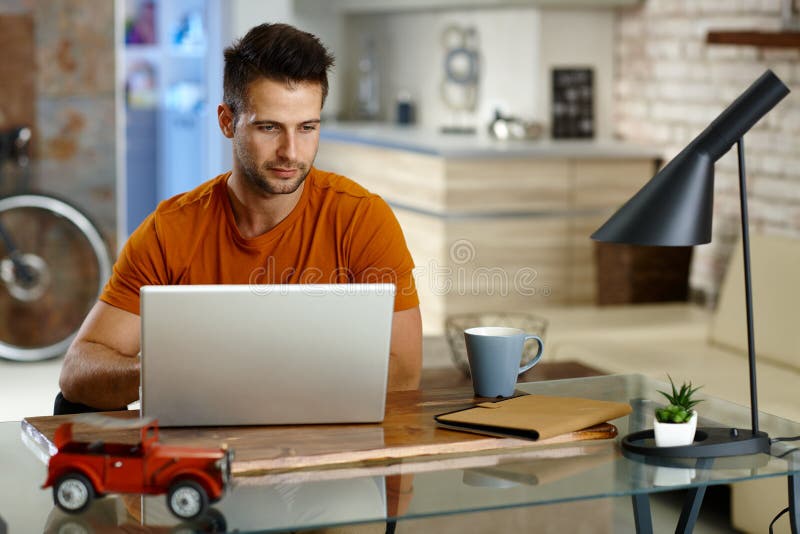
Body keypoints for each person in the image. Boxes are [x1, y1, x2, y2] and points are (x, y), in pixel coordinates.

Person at [59, 23, 422, 411]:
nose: (291, 152)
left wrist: (246, 376)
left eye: (307, 128)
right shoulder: (170, 230)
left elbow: (403, 374)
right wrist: (169, 373)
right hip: (205, 454)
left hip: (327, 452)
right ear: (227, 121)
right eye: (269, 127)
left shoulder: (361, 218)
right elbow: (78, 373)